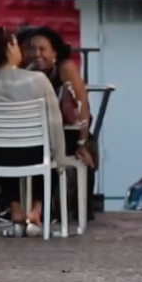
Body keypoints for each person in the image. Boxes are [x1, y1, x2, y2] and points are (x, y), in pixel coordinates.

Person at [0, 29, 85, 232]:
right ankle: (36, 209)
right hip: (33, 154)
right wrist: (58, 158)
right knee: (45, 155)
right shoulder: (38, 80)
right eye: (16, 45)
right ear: (9, 49)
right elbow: (54, 122)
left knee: (4, 149)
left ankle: (15, 208)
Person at [25, 26, 98, 222]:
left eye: (42, 49)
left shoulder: (65, 69)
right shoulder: (27, 73)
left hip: (69, 131)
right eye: (32, 49)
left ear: (54, 52)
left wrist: (81, 143)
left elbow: (82, 106)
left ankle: (62, 209)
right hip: (38, 133)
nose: (36, 54)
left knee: (81, 149)